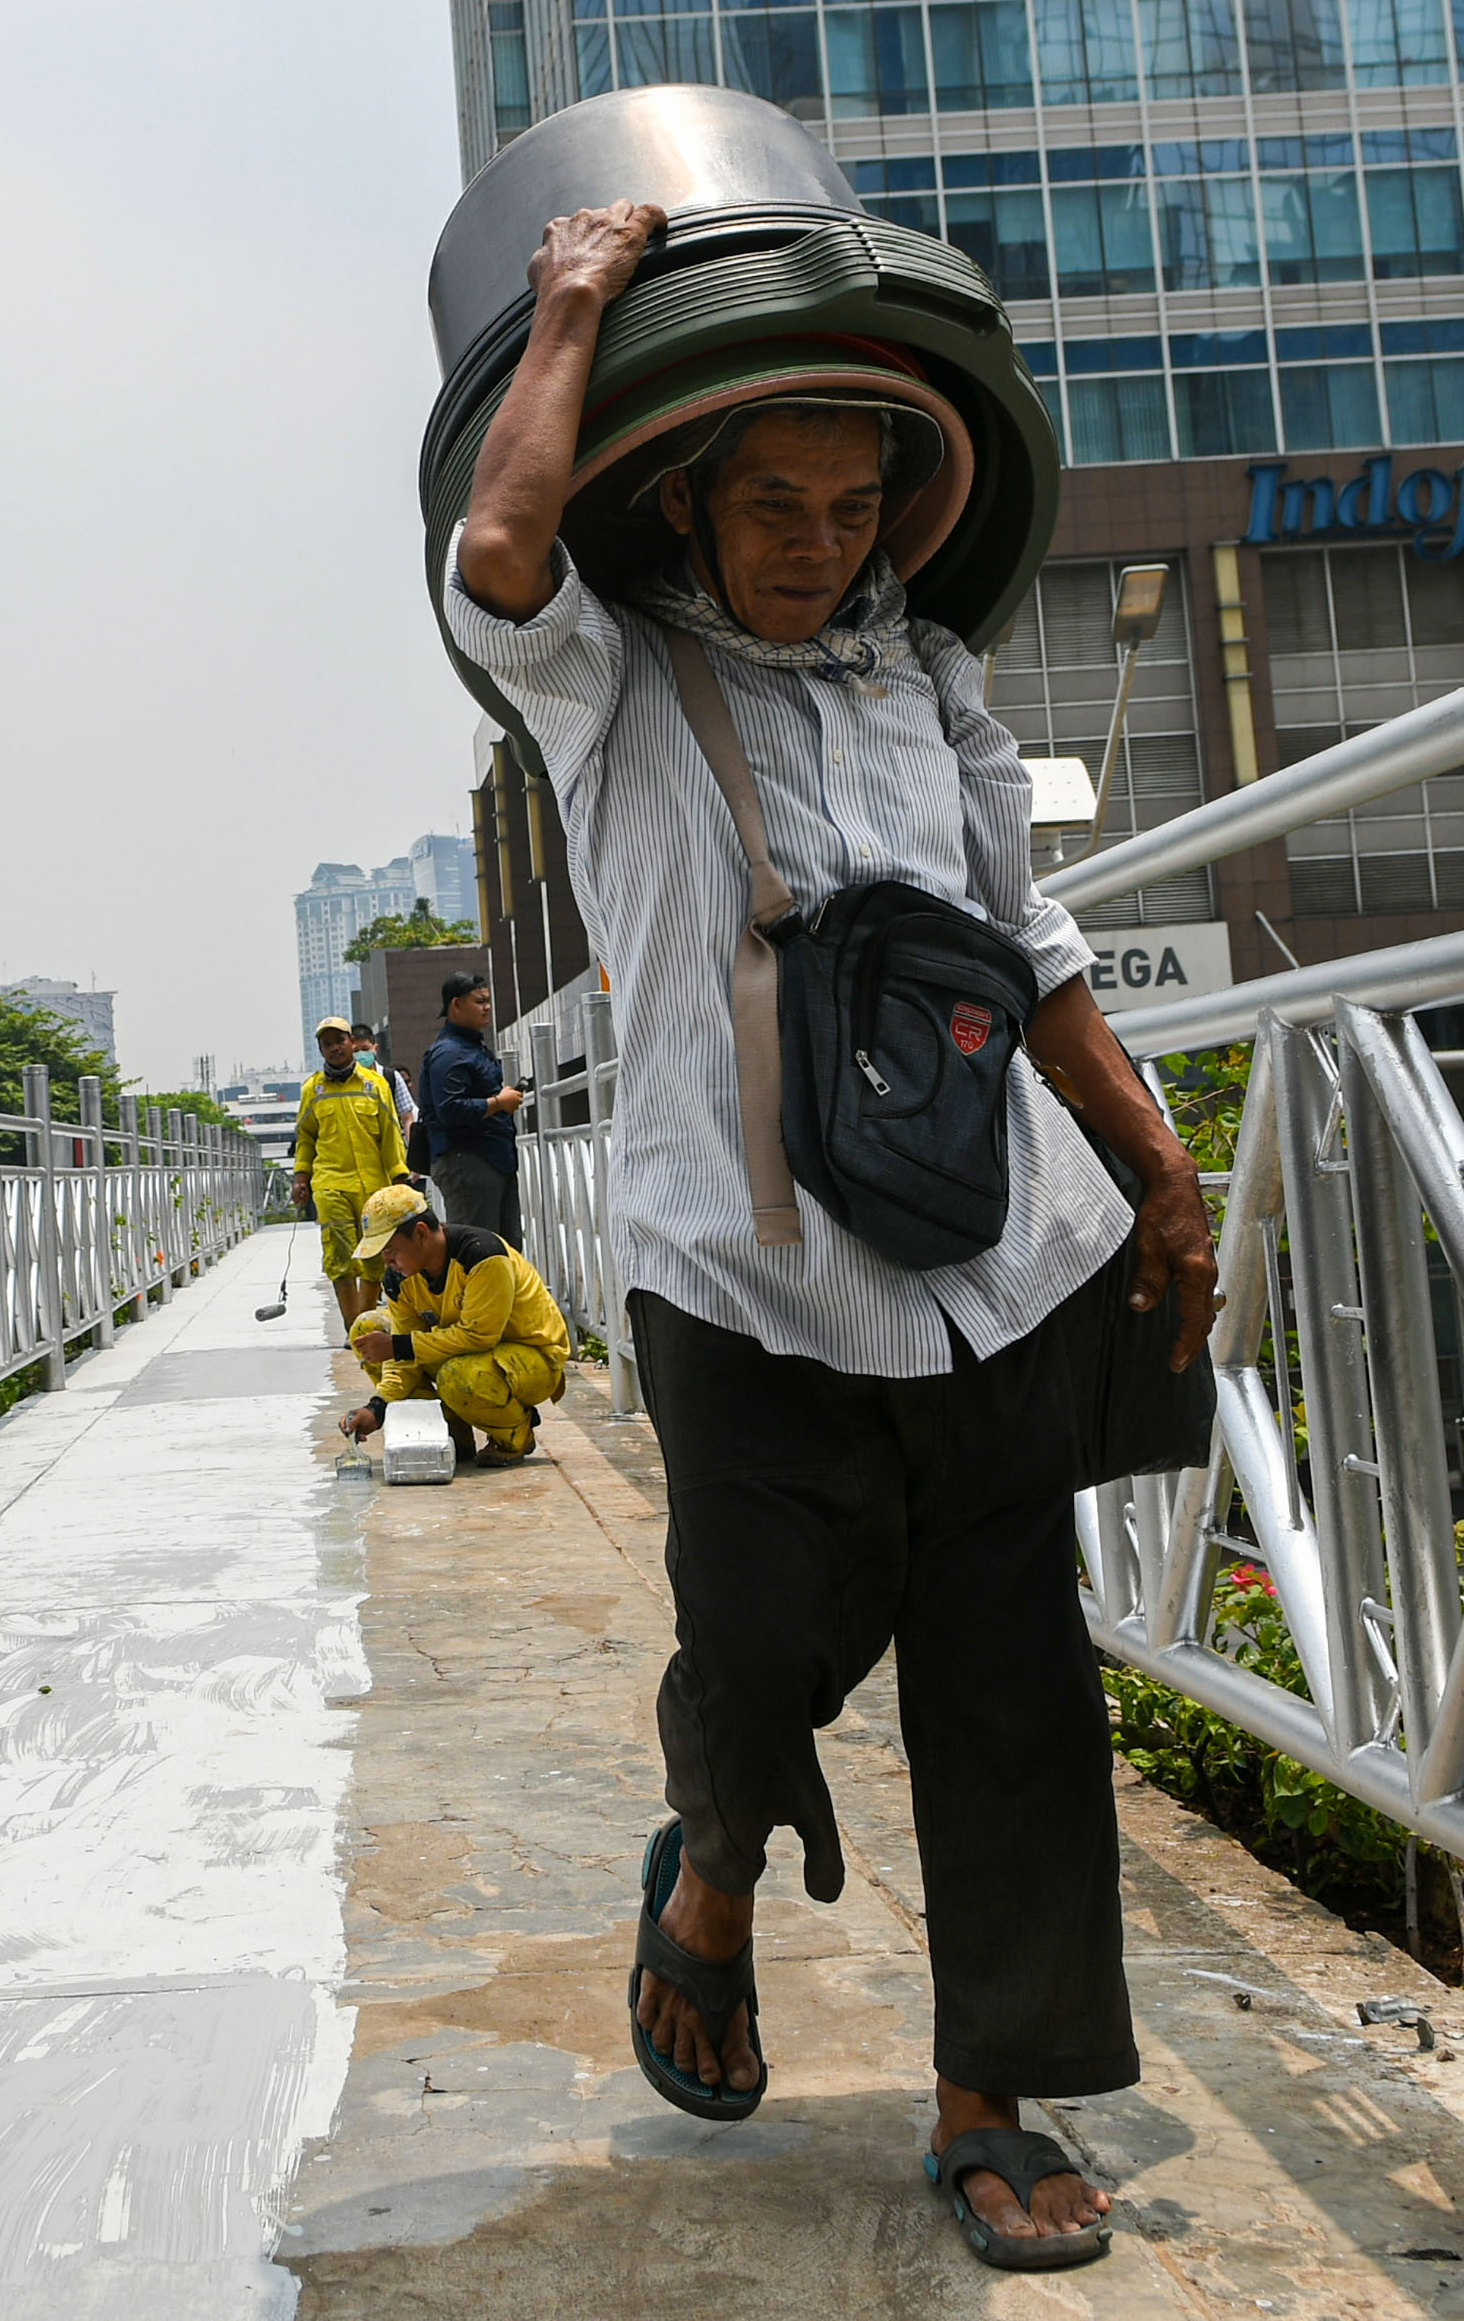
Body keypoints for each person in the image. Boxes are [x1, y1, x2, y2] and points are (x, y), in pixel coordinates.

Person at [441, 199, 1218, 2272]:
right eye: (767, 501)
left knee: (1012, 1677)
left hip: (981, 1250)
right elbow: (499, 567)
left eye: (848, 504)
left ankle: (994, 2098)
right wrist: (579, 311)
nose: (808, 540)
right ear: (691, 507)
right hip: (748, 1272)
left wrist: (1153, 1159)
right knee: (760, 1646)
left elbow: (1025, 937)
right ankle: (713, 1854)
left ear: (892, 520)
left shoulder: (932, 685)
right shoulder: (614, 683)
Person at [333, 1182, 567, 1464]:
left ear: (420, 1233)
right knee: (367, 1330)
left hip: (532, 1361)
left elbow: (479, 1336)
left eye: (390, 1250)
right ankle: (450, 1432)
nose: (388, 1262)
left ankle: (515, 1432)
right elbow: (402, 1356)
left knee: (456, 1375)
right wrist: (377, 1408)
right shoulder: (400, 1280)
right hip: (468, 1355)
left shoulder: (482, 1255)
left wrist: (399, 1345)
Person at [290, 1017, 410, 1334]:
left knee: (374, 1258)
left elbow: (391, 1135)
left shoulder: (376, 1085)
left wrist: (400, 1176)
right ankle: (353, 1329)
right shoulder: (312, 1090)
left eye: (339, 1041)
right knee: (340, 1253)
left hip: (373, 1183)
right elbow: (305, 1138)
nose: (335, 1048)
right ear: (320, 1049)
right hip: (331, 1183)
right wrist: (300, 1176)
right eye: (327, 1044)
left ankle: (365, 1324)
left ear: (352, 1044)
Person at [415, 970, 526, 1245]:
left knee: (505, 1251)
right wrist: (499, 1102)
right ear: (456, 1005)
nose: (486, 1007)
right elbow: (450, 1109)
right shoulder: (449, 1053)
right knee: (477, 1252)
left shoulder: (470, 1047)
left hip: (491, 1158)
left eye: (488, 1000)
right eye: (479, 1001)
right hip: (467, 1160)